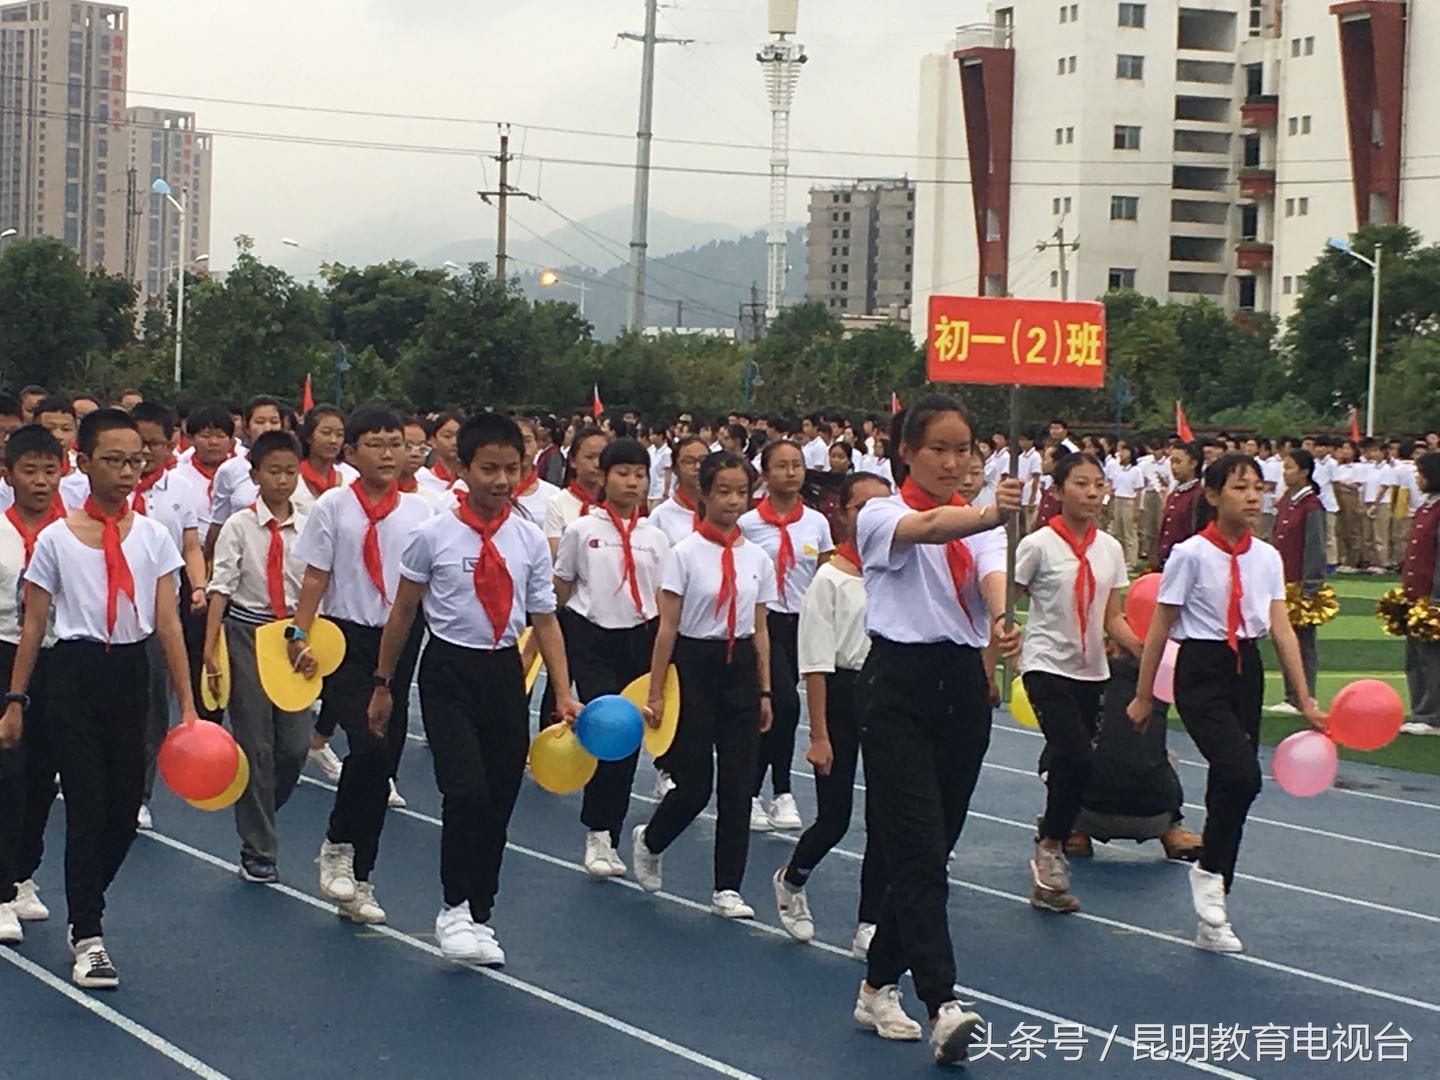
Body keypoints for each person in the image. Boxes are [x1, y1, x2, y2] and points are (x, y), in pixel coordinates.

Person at [848, 394, 1021, 1065]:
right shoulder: (880, 514)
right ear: (906, 451)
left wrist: (1003, 619)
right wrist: (984, 513)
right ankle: (942, 1001)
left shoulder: (982, 520)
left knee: (931, 849)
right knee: (917, 850)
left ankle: (876, 984)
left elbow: (989, 570)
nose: (953, 461)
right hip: (899, 687)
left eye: (964, 449)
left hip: (962, 689)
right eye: (939, 449)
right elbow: (932, 530)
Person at [373, 412, 578, 964]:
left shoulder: (529, 539)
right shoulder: (433, 533)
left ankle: (481, 910)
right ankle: (453, 908)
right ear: (462, 467)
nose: (501, 480)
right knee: (464, 791)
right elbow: (404, 610)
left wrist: (562, 691)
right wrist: (382, 683)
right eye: (489, 468)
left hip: (503, 673)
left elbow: (545, 618)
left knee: (501, 798)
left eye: (512, 468)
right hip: (448, 671)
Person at [5, 409, 196, 988]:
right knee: (87, 806)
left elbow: (166, 623)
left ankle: (87, 899)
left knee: (123, 814)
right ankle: (88, 933)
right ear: (83, 464)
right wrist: (15, 698)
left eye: (136, 460)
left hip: (130, 673)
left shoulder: (155, 536)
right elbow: (35, 624)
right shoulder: (58, 539)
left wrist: (189, 706)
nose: (126, 471)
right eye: (113, 460)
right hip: (72, 672)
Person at [1127, 452, 1321, 954]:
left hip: (1245, 670)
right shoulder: (1190, 554)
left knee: (1229, 786)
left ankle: (1215, 899)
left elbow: (1280, 627)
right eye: (1240, 488)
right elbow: (1160, 627)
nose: (1253, 497)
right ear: (1213, 495)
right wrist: (1144, 694)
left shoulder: (1268, 557)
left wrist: (1304, 698)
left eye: (1259, 487)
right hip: (1201, 670)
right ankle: (1210, 871)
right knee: (1242, 773)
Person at [289, 406, 433, 924]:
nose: (389, 453)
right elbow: (314, 577)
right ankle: (336, 843)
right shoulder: (333, 507)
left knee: (384, 758)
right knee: (367, 743)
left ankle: (363, 878)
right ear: (350, 453)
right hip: (345, 639)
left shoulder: (422, 514)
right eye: (375, 443)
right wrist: (297, 633)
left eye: (397, 443)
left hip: (399, 639)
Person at [631, 451, 775, 920]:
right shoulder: (684, 554)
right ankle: (651, 840)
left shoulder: (756, 556)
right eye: (724, 491)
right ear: (706, 494)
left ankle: (727, 887)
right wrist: (655, 691)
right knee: (694, 785)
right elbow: (667, 628)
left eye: (741, 492)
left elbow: (760, 626)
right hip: (694, 667)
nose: (733, 501)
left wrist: (766, 689)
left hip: (740, 670)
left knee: (738, 784)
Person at [1015, 453, 1140, 913]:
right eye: (1081, 484)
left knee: (1078, 764)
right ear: (1058, 490)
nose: (1091, 493)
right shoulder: (1039, 545)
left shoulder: (1110, 549)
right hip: (1046, 664)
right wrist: (996, 653)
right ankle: (1051, 845)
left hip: (1091, 670)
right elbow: (1009, 599)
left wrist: (1144, 652)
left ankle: (1048, 864)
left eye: (1097, 485)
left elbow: (1113, 616)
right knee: (1075, 753)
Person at [773, 470, 892, 953]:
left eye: (882, 508)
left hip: (886, 693)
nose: (872, 518)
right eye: (861, 508)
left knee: (884, 816)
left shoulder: (897, 568)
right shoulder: (829, 579)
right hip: (842, 695)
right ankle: (793, 876)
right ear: (842, 514)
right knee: (836, 817)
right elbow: (816, 665)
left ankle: (869, 920)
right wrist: (819, 735)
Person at [553, 438, 668, 875]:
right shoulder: (582, 531)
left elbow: (663, 598)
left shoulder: (656, 537)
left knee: (629, 737)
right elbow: (561, 589)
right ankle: (597, 834)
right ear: (604, 478)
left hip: (640, 638)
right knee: (607, 728)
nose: (632, 482)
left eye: (640, 474)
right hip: (592, 637)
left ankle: (611, 832)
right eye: (622, 473)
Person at [203, 430, 312, 884]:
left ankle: (262, 807)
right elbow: (221, 587)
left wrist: (307, 637)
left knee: (294, 747)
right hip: (246, 631)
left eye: (290, 471)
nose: (283, 480)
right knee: (255, 743)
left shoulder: (309, 523)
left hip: (293, 634)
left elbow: (316, 584)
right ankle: (258, 847)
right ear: (255, 476)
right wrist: (210, 650)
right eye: (274, 471)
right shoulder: (239, 525)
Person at [740, 440, 834, 832]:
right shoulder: (748, 524)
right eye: (782, 466)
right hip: (765, 623)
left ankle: (764, 791)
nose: (791, 473)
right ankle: (775, 791)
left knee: (780, 708)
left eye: (797, 465)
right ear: (765, 473)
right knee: (784, 704)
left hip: (805, 621)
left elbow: (827, 573)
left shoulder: (816, 523)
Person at [0, 426, 67, 944]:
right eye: (30, 471)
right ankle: (2, 888)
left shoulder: (77, 533)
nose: (41, 482)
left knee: (44, 774)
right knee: (8, 772)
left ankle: (24, 872)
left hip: (58, 657)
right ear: (8, 475)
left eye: (50, 470)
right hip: (3, 651)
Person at [130, 402, 210, 831]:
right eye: (136, 443)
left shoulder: (181, 490)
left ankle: (140, 793)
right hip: (108, 612)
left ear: (170, 443)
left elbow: (191, 544)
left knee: (152, 706)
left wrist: (198, 585)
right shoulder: (101, 486)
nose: (144, 453)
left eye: (154, 443)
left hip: (159, 610)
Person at [1267, 449, 1329, 716]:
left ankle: (1305, 695)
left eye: (1290, 468)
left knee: (1302, 643)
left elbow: (1315, 548)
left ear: (1304, 472)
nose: (1285, 472)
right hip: (1282, 582)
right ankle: (1291, 694)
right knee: (1284, 641)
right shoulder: (1287, 502)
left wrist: (1310, 586)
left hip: (1300, 584)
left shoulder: (1311, 506)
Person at [206, 395, 285, 553]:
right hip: (239, 553)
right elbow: (218, 523)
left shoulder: (295, 469)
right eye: (260, 422)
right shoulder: (230, 469)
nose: (268, 428)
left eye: (274, 422)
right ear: (246, 427)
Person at [1398, 452, 1440, 735]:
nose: (1417, 477)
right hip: (1414, 594)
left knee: (1431, 658)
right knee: (1413, 657)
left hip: (1431, 595)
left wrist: (1436, 597)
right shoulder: (1425, 507)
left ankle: (1432, 714)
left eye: (1421, 472)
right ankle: (1418, 709)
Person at [293, 405, 358, 514]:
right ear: (309, 436)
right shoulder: (292, 479)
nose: (333, 440)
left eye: (339, 434)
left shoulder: (351, 480)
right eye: (326, 433)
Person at [1154, 440, 1204, 570]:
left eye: (1178, 462)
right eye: (1172, 462)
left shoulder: (1198, 495)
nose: (1174, 467)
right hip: (1168, 560)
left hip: (1186, 563)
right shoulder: (1175, 493)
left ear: (1193, 463)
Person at [650, 435, 707, 545]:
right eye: (689, 462)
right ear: (675, 468)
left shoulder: (719, 511)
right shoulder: (661, 515)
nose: (698, 466)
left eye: (704, 460)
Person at [514, 417, 560, 525]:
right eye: (515, 441)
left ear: (537, 444)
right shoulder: (489, 494)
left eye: (528, 441)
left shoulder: (554, 495)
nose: (523, 448)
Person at [1107, 443, 1143, 568]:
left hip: (1129, 500)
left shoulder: (1136, 470)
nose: (1121, 454)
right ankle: (1121, 559)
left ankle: (1132, 560)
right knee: (1118, 530)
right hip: (1118, 499)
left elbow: (1138, 490)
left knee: (1129, 532)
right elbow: (1112, 485)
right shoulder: (1117, 468)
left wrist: (1136, 508)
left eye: (1125, 451)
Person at [416, 410, 466, 495]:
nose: (454, 442)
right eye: (447, 436)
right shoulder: (421, 478)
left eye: (459, 436)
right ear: (433, 441)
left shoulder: (472, 479)